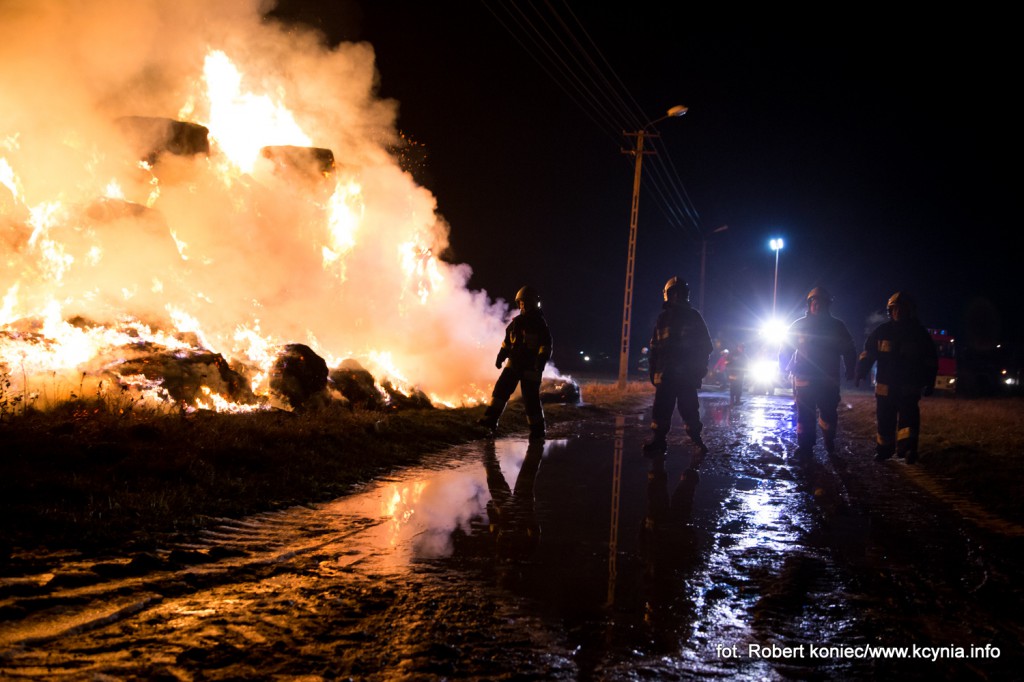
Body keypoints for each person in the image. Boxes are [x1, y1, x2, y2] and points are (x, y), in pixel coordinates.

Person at [855, 292, 938, 463]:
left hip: (909, 387)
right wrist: (860, 372)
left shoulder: (919, 334)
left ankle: (908, 450)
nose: (898, 312)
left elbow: (930, 360)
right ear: (890, 311)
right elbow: (868, 354)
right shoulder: (881, 331)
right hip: (885, 387)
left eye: (902, 309)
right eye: (894, 309)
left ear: (909, 311)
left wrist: (930, 382)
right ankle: (884, 450)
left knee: (909, 421)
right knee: (884, 420)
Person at [781, 287, 858, 460]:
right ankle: (805, 447)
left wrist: (850, 368)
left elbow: (849, 349)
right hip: (804, 378)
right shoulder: (799, 325)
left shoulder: (837, 326)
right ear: (809, 304)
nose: (817, 306)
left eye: (820, 303)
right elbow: (785, 347)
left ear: (827, 305)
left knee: (828, 413)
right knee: (804, 415)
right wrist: (783, 367)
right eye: (814, 303)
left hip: (828, 379)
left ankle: (829, 440)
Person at [643, 276, 714, 457]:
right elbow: (655, 347)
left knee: (689, 409)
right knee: (661, 410)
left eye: (678, 293)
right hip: (668, 375)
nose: (676, 297)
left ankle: (696, 440)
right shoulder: (663, 318)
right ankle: (659, 441)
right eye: (675, 293)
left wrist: (699, 369)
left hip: (685, 376)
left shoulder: (692, 316)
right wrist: (653, 370)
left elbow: (705, 346)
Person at [478, 286, 552, 441]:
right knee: (500, 391)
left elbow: (545, 346)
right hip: (514, 364)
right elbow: (507, 343)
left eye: (525, 302)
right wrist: (501, 356)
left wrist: (540, 361)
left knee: (530, 400)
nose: (523, 306)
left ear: (533, 303)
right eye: (521, 303)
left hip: (531, 367)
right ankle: (490, 421)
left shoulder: (540, 324)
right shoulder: (516, 323)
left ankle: (538, 431)